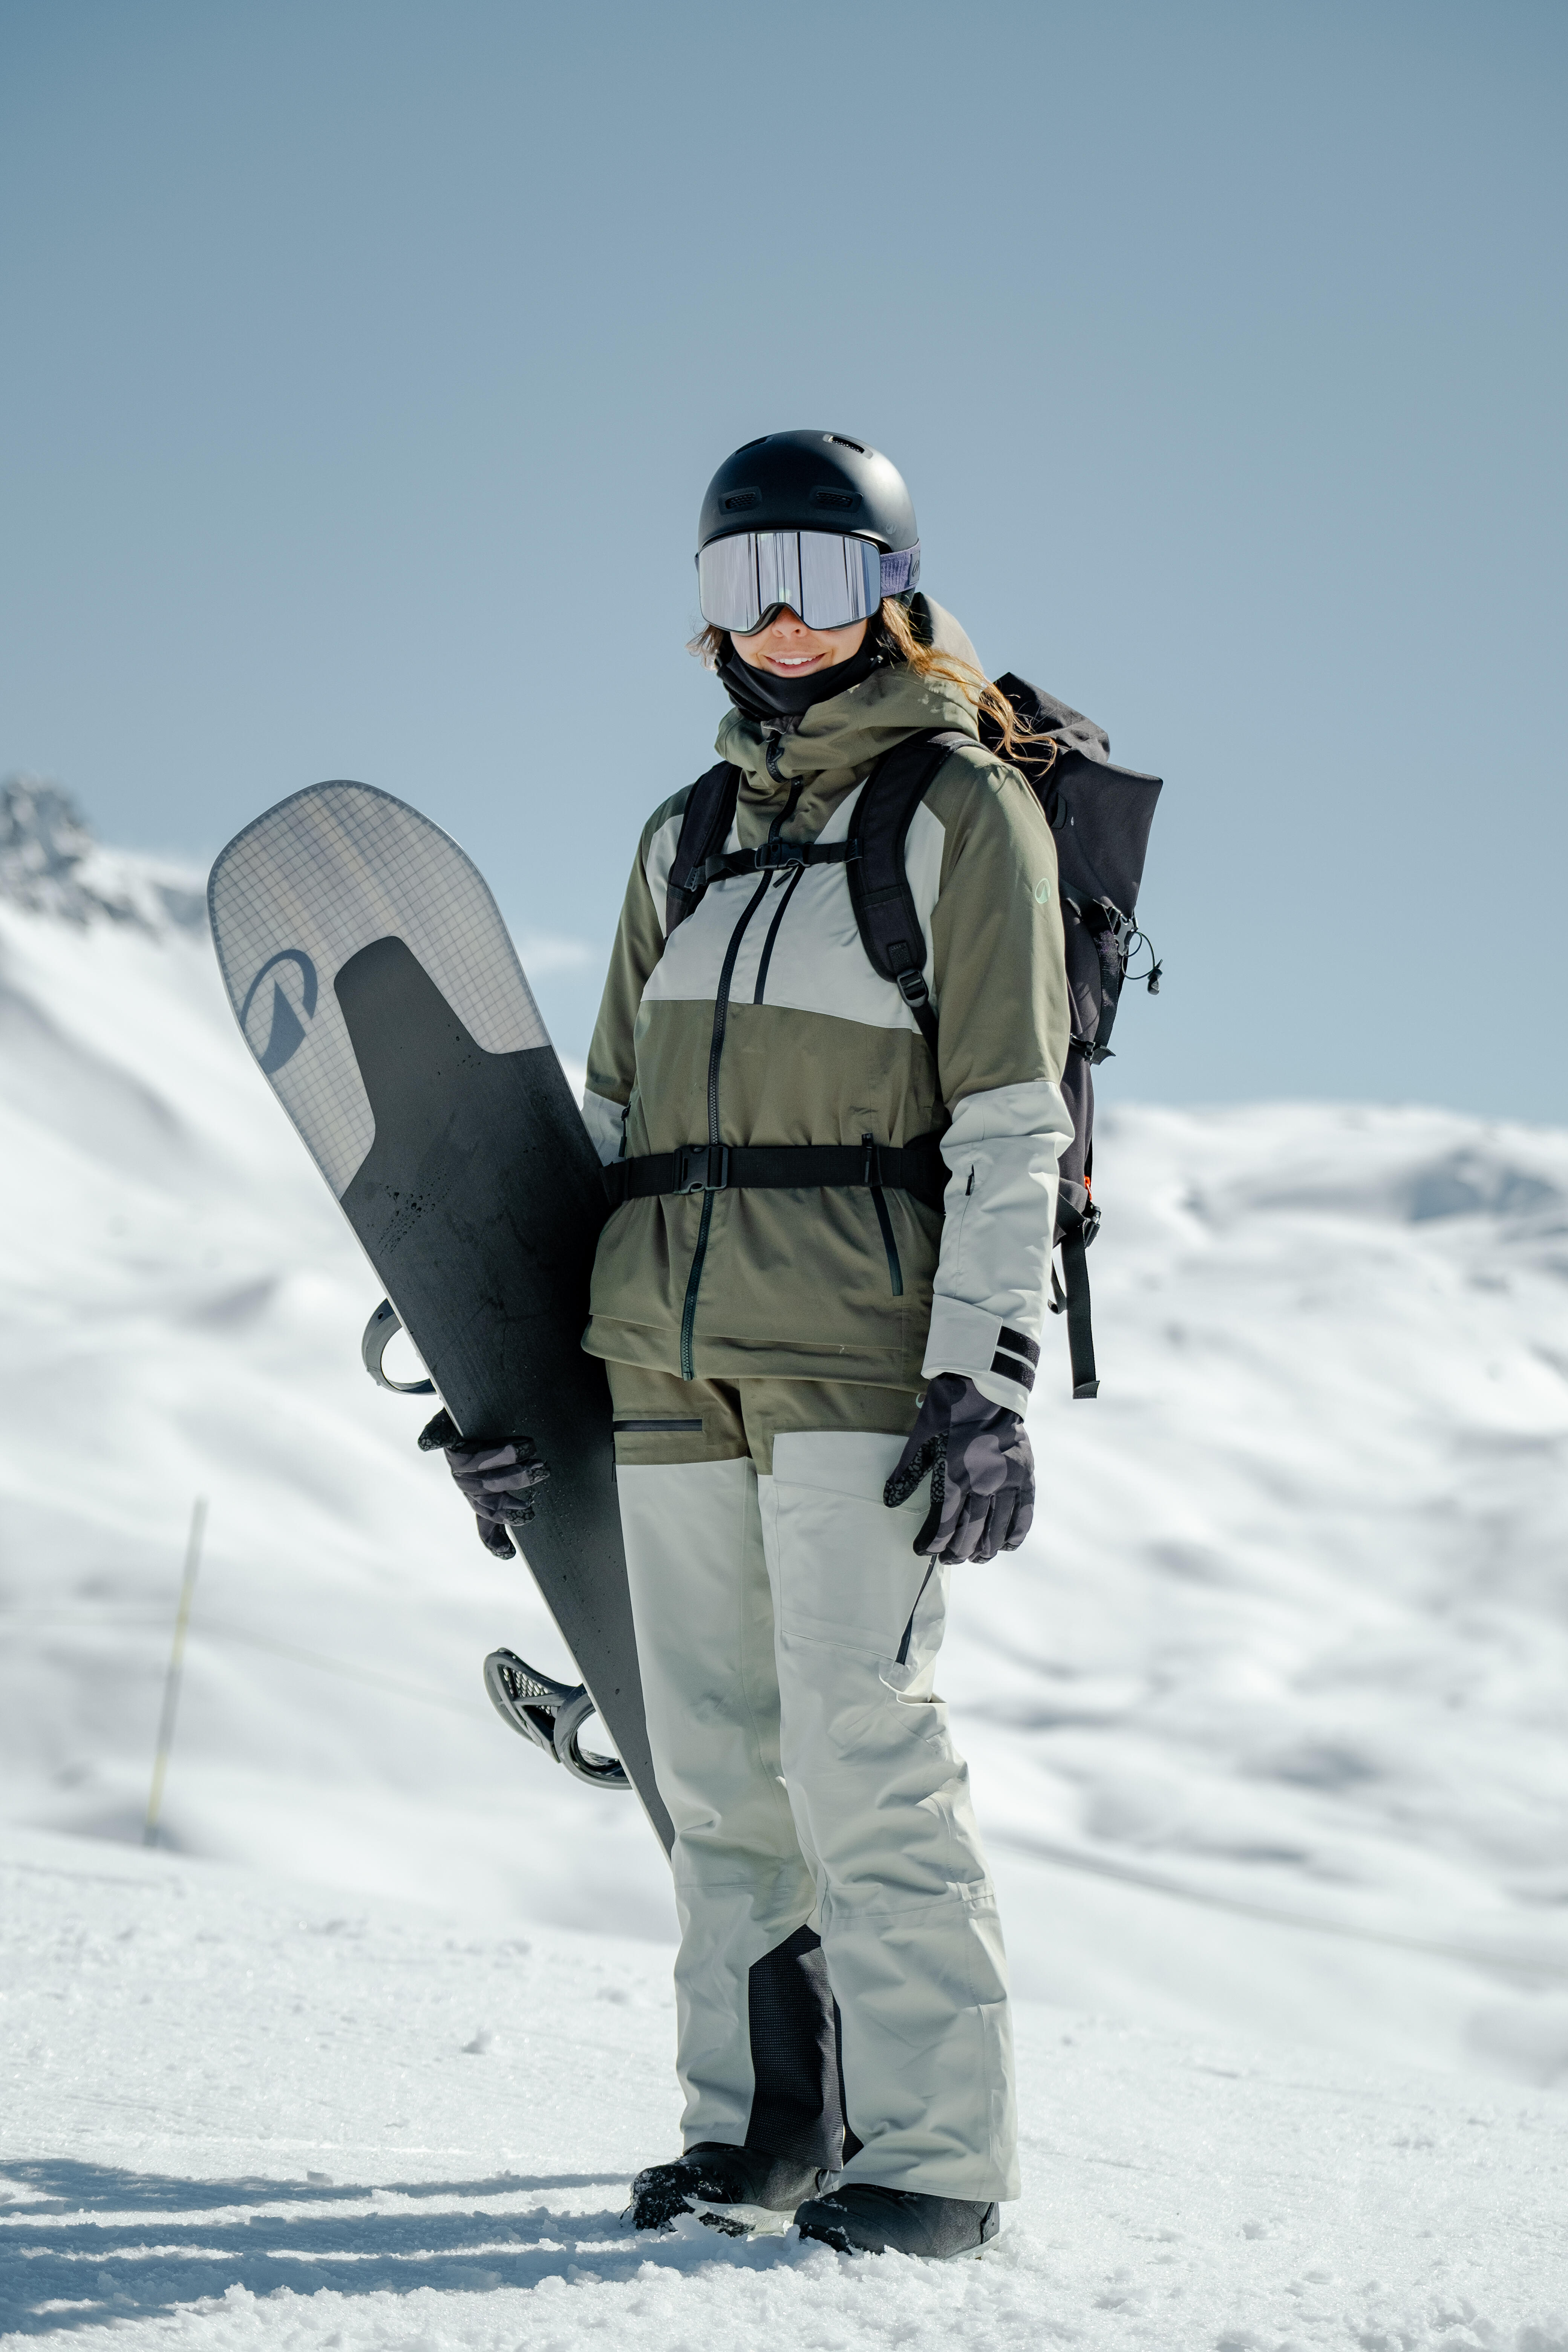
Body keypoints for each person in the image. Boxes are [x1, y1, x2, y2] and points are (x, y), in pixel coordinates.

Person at [436, 430, 1072, 2260]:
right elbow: (611, 1126)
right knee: (709, 1766)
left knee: (863, 1751)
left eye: (822, 577)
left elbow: (1012, 1121)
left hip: (860, 1366)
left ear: (894, 594)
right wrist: (521, 1388)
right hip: (663, 1365)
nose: (782, 622)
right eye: (740, 584)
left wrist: (985, 1380)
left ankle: (936, 2159)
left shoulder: (959, 813)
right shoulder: (686, 834)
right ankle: (754, 2136)